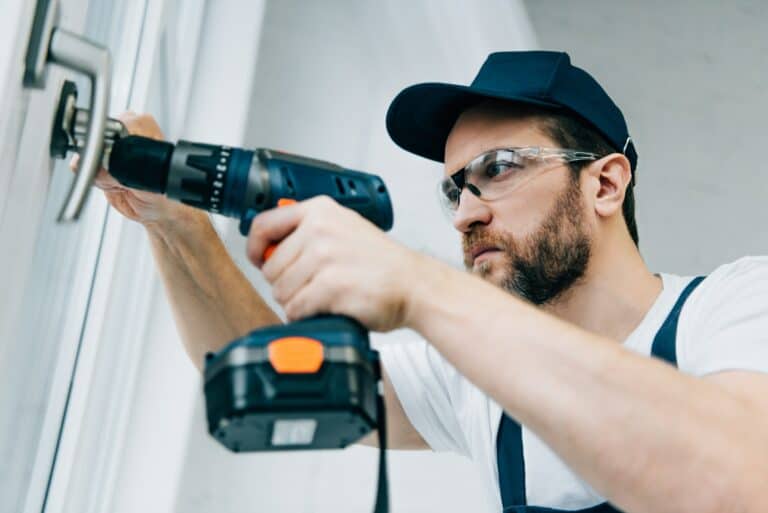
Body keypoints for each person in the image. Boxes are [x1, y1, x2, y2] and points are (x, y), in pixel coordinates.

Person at [94, 51, 768, 513]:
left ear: (605, 182)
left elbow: (735, 479)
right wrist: (176, 224)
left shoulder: (734, 308)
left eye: (500, 167)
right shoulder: (476, 381)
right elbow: (269, 370)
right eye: (456, 188)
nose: (467, 211)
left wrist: (418, 285)